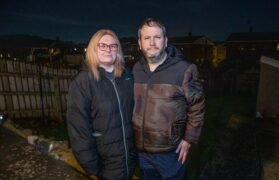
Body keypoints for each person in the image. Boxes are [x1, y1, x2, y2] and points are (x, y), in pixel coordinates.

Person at [132, 18, 205, 179]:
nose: (152, 42)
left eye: (157, 37)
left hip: (171, 153)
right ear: (140, 43)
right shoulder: (136, 69)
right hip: (142, 151)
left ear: (165, 41)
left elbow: (197, 106)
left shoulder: (184, 69)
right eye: (147, 38)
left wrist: (189, 139)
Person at [67, 29, 136, 180]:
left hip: (129, 160)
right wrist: (91, 165)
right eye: (102, 45)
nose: (108, 49)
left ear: (118, 50)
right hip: (105, 165)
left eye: (113, 46)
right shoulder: (83, 82)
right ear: (94, 48)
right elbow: (79, 129)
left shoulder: (127, 77)